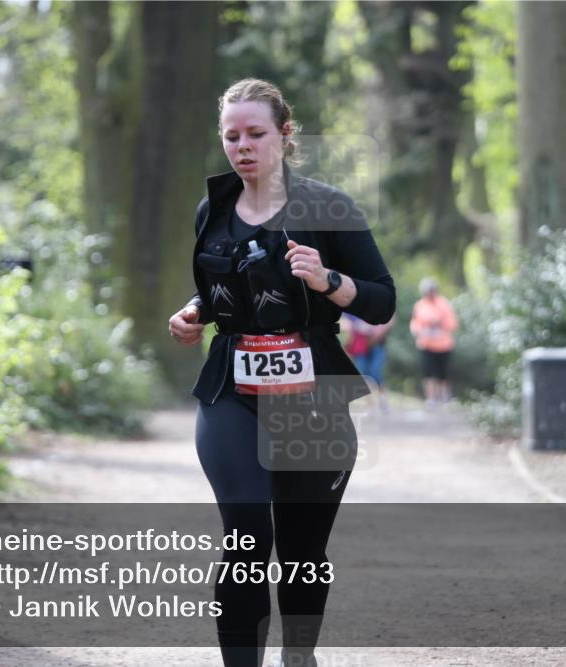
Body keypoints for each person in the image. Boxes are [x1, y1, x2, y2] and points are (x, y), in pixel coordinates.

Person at [168, 78, 395, 667]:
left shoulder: (328, 207)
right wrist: (194, 313)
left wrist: (327, 281)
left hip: (313, 392)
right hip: (232, 388)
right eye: (231, 136)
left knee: (300, 549)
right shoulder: (212, 209)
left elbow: (382, 301)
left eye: (255, 134)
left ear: (285, 135)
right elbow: (219, 289)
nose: (242, 146)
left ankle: (299, 657)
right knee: (247, 533)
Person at [409, 277, 459, 408]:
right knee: (428, 372)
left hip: (443, 344)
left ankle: (445, 398)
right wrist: (420, 331)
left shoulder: (444, 303)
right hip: (426, 343)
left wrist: (440, 323)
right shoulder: (420, 305)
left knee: (443, 373)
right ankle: (431, 399)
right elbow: (415, 323)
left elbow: (452, 323)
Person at [340, 312, 395, 412]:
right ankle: (370, 405)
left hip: (377, 343)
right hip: (360, 344)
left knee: (376, 373)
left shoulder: (380, 299)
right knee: (364, 374)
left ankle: (383, 401)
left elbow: (391, 318)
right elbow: (343, 319)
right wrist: (353, 326)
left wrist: (379, 330)